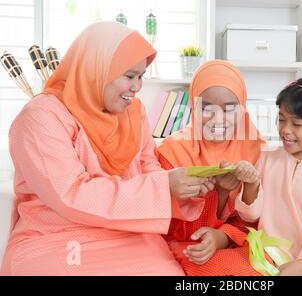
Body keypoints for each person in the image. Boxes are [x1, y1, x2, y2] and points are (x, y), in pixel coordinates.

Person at [0, 21, 215, 275]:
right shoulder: (41, 117)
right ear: (96, 70)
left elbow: (148, 169)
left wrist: (182, 188)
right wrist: (165, 186)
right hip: (56, 236)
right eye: (129, 76)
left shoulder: (134, 112)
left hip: (129, 232)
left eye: (141, 77)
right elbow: (70, 194)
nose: (137, 88)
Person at [211, 75, 302, 276]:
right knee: (207, 266)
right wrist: (251, 185)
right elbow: (249, 216)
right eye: (282, 119)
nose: (285, 130)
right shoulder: (268, 159)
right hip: (262, 255)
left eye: (297, 124)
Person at [157, 60, 265, 275]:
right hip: (188, 245)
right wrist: (220, 194)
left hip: (234, 242)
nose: (218, 119)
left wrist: (221, 237)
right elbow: (167, 226)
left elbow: (256, 223)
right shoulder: (172, 152)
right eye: (206, 108)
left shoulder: (255, 149)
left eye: (230, 108)